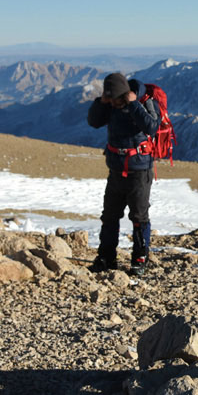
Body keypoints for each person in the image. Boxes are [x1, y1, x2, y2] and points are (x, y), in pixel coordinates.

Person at [87, 72, 160, 275]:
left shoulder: (145, 102)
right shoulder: (109, 105)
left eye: (118, 99)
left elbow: (152, 127)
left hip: (139, 171)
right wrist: (102, 102)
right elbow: (93, 121)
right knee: (110, 216)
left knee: (139, 217)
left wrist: (133, 104)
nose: (116, 104)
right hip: (117, 170)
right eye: (112, 100)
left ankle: (139, 259)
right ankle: (106, 258)